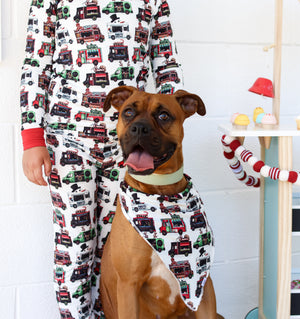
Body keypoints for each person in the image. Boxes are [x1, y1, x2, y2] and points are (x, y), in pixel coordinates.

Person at [20, 1, 183, 318]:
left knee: (116, 249)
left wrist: (167, 136)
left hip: (132, 146)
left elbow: (166, 65)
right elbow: (36, 63)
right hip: (67, 140)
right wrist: (31, 137)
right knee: (76, 243)